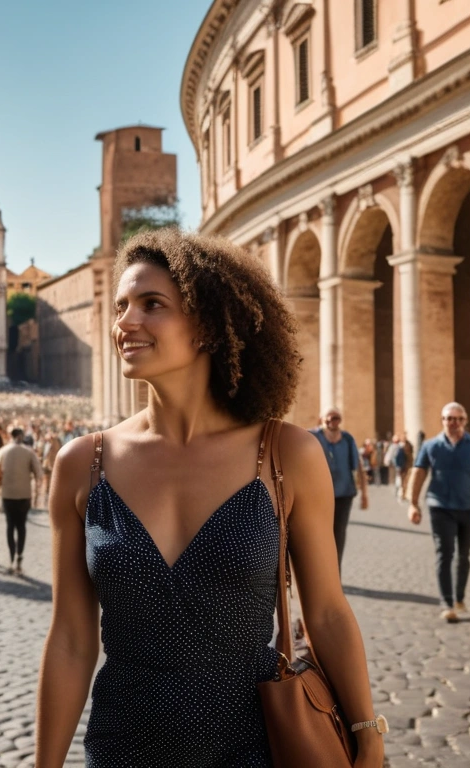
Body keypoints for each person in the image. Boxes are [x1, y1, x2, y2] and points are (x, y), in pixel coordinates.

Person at [36, 230, 384, 767]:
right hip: (123, 746)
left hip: (255, 744)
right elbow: (70, 639)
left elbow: (328, 612)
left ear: (208, 326)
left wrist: (368, 734)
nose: (125, 322)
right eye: (122, 305)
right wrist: (44, 764)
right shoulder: (82, 463)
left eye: (152, 305)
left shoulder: (286, 454)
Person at [408, 402, 470, 623]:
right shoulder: (430, 446)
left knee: (463, 556)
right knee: (444, 553)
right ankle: (447, 603)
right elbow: (418, 473)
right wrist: (413, 503)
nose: (453, 423)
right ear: (443, 421)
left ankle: (459, 597)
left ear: (465, 421)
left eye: (458, 419)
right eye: (449, 418)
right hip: (440, 507)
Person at [309, 408, 369, 575]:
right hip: (319, 496)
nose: (331, 421)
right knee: (320, 534)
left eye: (335, 418)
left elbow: (358, 466)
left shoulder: (348, 439)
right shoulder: (313, 437)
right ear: (322, 419)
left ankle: (335, 576)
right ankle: (321, 574)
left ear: (340, 420)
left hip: (344, 494)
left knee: (339, 535)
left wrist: (364, 493)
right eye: (328, 419)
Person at [0, 427, 42, 574]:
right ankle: (19, 556)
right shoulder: (29, 452)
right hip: (24, 494)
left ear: (10, 436)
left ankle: (11, 557)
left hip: (8, 494)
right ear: (21, 436)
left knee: (10, 525)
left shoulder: (2, 452)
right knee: (21, 526)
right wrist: (37, 492)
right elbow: (38, 473)